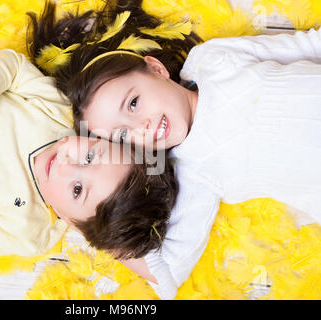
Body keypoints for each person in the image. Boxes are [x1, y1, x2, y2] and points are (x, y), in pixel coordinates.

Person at [27, 0, 321, 299]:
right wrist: (87, 227)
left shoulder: (210, 60)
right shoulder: (194, 172)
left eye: (133, 103)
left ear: (155, 69)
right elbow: (166, 278)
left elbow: (308, 46)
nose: (141, 125)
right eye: (124, 135)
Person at [0, 47, 178, 262]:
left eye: (78, 190)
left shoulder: (31, 230)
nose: (66, 165)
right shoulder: (57, 113)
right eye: (90, 157)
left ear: (73, 225)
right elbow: (12, 65)